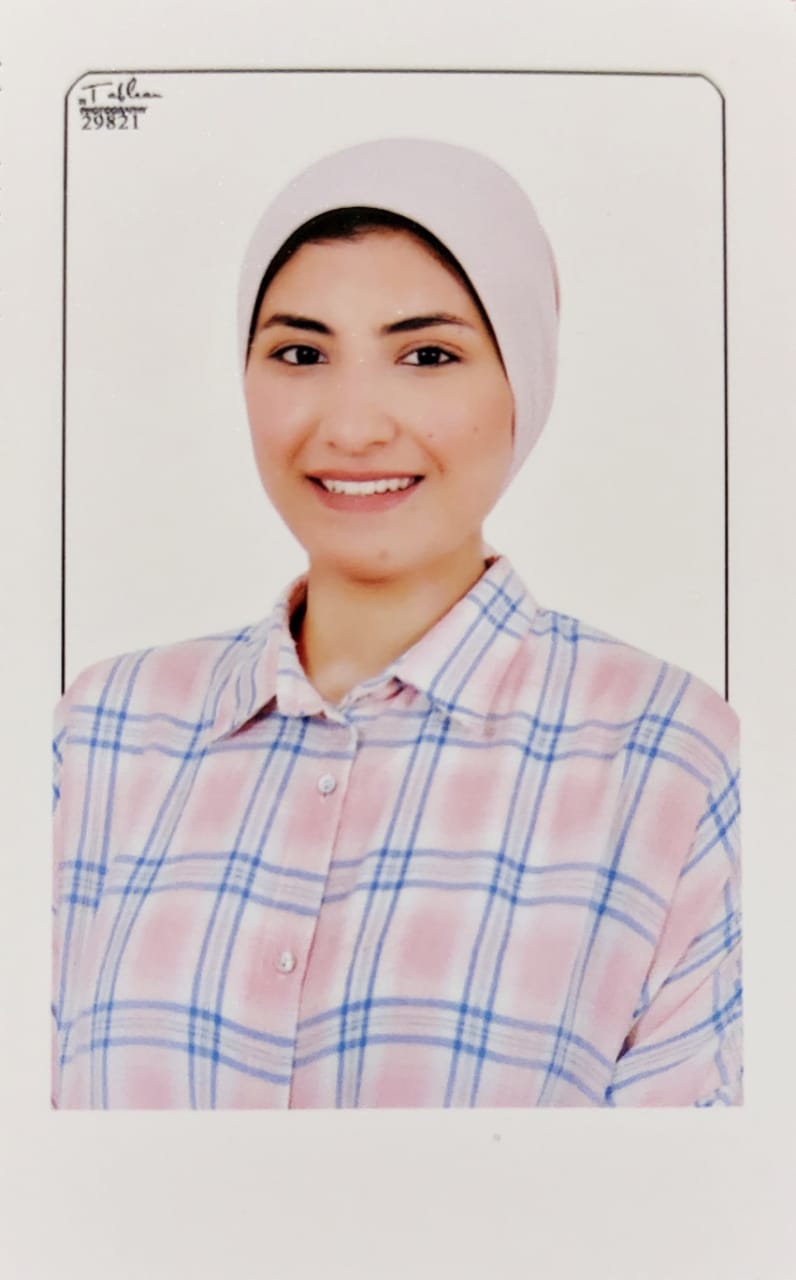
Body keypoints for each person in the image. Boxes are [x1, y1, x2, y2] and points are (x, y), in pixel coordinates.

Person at [52, 138, 741, 1109]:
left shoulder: (671, 755)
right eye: (301, 353)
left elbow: (692, 1193)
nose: (353, 426)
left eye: (427, 355)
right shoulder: (99, 731)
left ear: (524, 383)